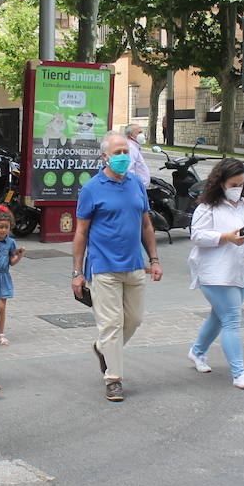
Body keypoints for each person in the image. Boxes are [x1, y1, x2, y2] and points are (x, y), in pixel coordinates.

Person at [71, 132, 164, 402]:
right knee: (112, 323)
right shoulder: (91, 189)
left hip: (134, 264)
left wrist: (154, 260)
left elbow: (146, 225)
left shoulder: (136, 185)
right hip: (103, 267)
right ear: (105, 156)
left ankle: (103, 349)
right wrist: (77, 273)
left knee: (133, 320)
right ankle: (114, 379)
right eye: (119, 152)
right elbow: (80, 233)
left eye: (127, 151)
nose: (124, 156)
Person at [188, 158, 244, 390]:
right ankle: (239, 373)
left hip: (240, 271)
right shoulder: (207, 208)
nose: (237, 189)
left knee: (219, 317)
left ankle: (197, 352)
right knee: (231, 320)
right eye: (233, 184)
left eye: (240, 184)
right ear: (220, 183)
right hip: (215, 273)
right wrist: (226, 237)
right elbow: (197, 236)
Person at [0, 207, 24, 346]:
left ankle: (1, 334)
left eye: (6, 227)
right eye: (1, 227)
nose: (3, 230)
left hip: (3, 277)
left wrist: (19, 256)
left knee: (1, 307)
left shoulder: (11, 242)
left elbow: (11, 262)